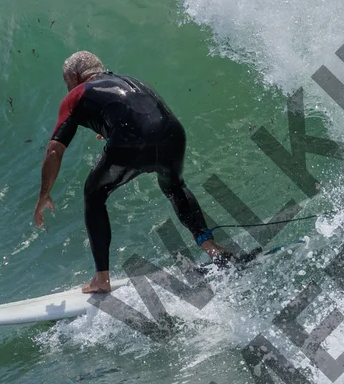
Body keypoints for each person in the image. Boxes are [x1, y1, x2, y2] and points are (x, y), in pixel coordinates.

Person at [32, 50, 228, 293]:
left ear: (74, 77)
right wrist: (111, 129)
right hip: (173, 134)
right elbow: (137, 114)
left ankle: (101, 279)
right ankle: (212, 249)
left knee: (94, 194)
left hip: (132, 140)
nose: (68, 88)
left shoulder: (77, 94)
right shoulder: (131, 81)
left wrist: (44, 194)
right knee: (175, 186)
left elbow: (54, 150)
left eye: (67, 83)